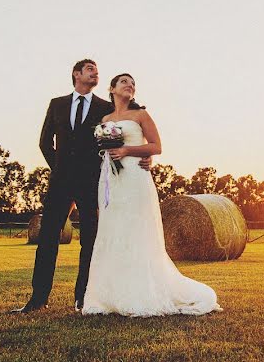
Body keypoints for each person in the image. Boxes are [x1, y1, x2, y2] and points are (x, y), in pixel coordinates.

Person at [12, 59, 150, 313]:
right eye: (90, 69)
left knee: (90, 240)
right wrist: (60, 168)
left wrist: (142, 154)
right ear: (76, 74)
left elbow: (127, 122)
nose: (95, 73)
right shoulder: (57, 104)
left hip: (92, 183)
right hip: (60, 182)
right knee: (47, 239)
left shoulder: (105, 108)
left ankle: (82, 298)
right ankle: (38, 299)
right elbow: (44, 142)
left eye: (97, 71)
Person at [81, 72, 222, 316]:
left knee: (136, 231)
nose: (130, 85)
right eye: (124, 81)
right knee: (114, 232)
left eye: (133, 83)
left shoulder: (141, 115)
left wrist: (127, 150)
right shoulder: (104, 118)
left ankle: (141, 292)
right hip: (112, 181)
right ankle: (109, 296)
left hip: (135, 178)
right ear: (112, 88)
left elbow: (156, 146)